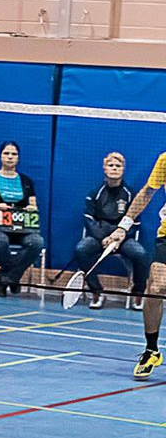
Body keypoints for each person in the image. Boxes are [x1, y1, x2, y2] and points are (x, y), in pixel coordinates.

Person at [106, 150, 166, 379]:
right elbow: (147, 192)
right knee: (156, 287)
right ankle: (151, 350)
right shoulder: (165, 160)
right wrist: (123, 226)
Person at [75, 151, 148, 310]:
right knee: (81, 249)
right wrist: (104, 237)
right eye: (111, 165)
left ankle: (138, 293)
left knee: (141, 254)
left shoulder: (131, 194)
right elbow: (89, 219)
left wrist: (119, 238)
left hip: (123, 237)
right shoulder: (95, 192)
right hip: (99, 236)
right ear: (104, 169)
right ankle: (97, 292)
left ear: (123, 169)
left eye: (118, 166)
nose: (114, 168)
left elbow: (135, 222)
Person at [0, 141, 45, 297]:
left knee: (37, 242)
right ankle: (13, 277)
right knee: (0, 241)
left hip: (22, 229)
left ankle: (7, 277)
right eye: (6, 153)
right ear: (0, 156)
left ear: (18, 158)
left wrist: (30, 209)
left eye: (13, 154)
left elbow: (34, 207)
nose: (10, 157)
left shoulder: (27, 181)